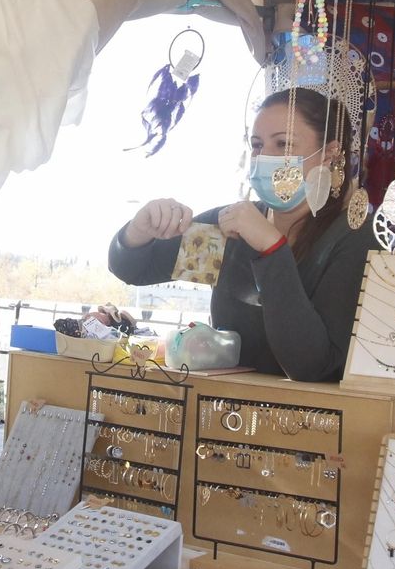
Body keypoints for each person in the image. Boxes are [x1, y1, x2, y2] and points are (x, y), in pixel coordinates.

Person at [108, 87, 377, 382]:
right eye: (257, 145)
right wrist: (139, 230)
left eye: (283, 144)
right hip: (219, 405)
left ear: (329, 154)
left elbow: (312, 365)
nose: (265, 157)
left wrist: (272, 248)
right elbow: (134, 269)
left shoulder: (354, 237)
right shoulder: (230, 226)